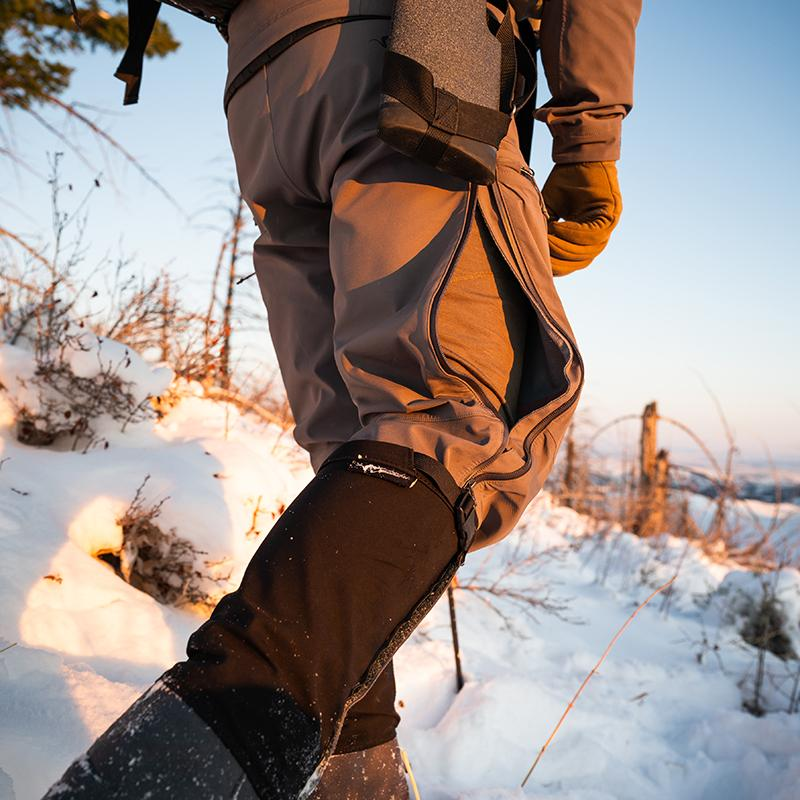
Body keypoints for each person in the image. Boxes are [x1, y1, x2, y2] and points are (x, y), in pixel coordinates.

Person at [44, 1, 640, 798]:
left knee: (358, 450)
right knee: (455, 420)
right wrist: (588, 143)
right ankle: (165, 775)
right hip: (415, 47)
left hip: (262, 78)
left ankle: (356, 773)